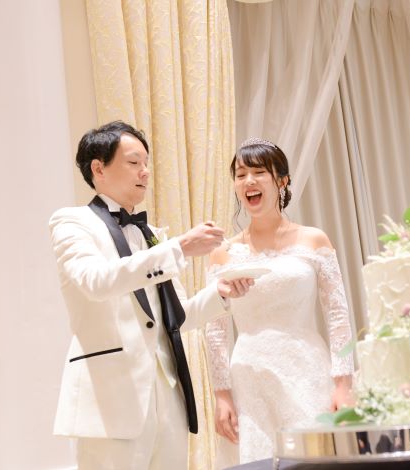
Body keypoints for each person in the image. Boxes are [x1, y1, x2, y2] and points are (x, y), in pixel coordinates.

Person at [49, 121, 253, 470]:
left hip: (168, 399)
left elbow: (176, 318)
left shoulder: (153, 235)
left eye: (146, 163)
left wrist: (219, 294)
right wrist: (179, 248)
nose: (145, 172)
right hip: (110, 402)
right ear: (98, 168)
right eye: (133, 162)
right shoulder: (72, 222)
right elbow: (95, 281)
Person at [205, 138, 355, 464]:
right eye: (240, 175)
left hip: (306, 369)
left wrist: (343, 383)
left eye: (259, 172)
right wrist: (222, 395)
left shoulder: (313, 240)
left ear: (282, 180)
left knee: (315, 460)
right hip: (249, 376)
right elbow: (215, 331)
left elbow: (337, 315)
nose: (249, 181)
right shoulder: (223, 253)